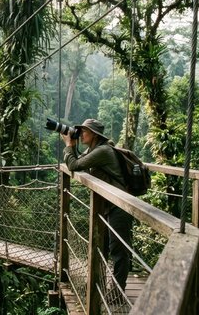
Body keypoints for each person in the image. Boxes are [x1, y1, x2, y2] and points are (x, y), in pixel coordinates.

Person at [61, 118, 133, 293]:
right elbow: (79, 162)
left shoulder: (103, 151)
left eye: (84, 131)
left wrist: (69, 144)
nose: (81, 134)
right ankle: (98, 287)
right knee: (102, 248)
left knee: (118, 251)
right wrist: (73, 146)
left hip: (119, 206)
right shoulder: (94, 150)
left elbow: (73, 165)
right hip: (108, 206)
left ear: (94, 134)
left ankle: (117, 291)